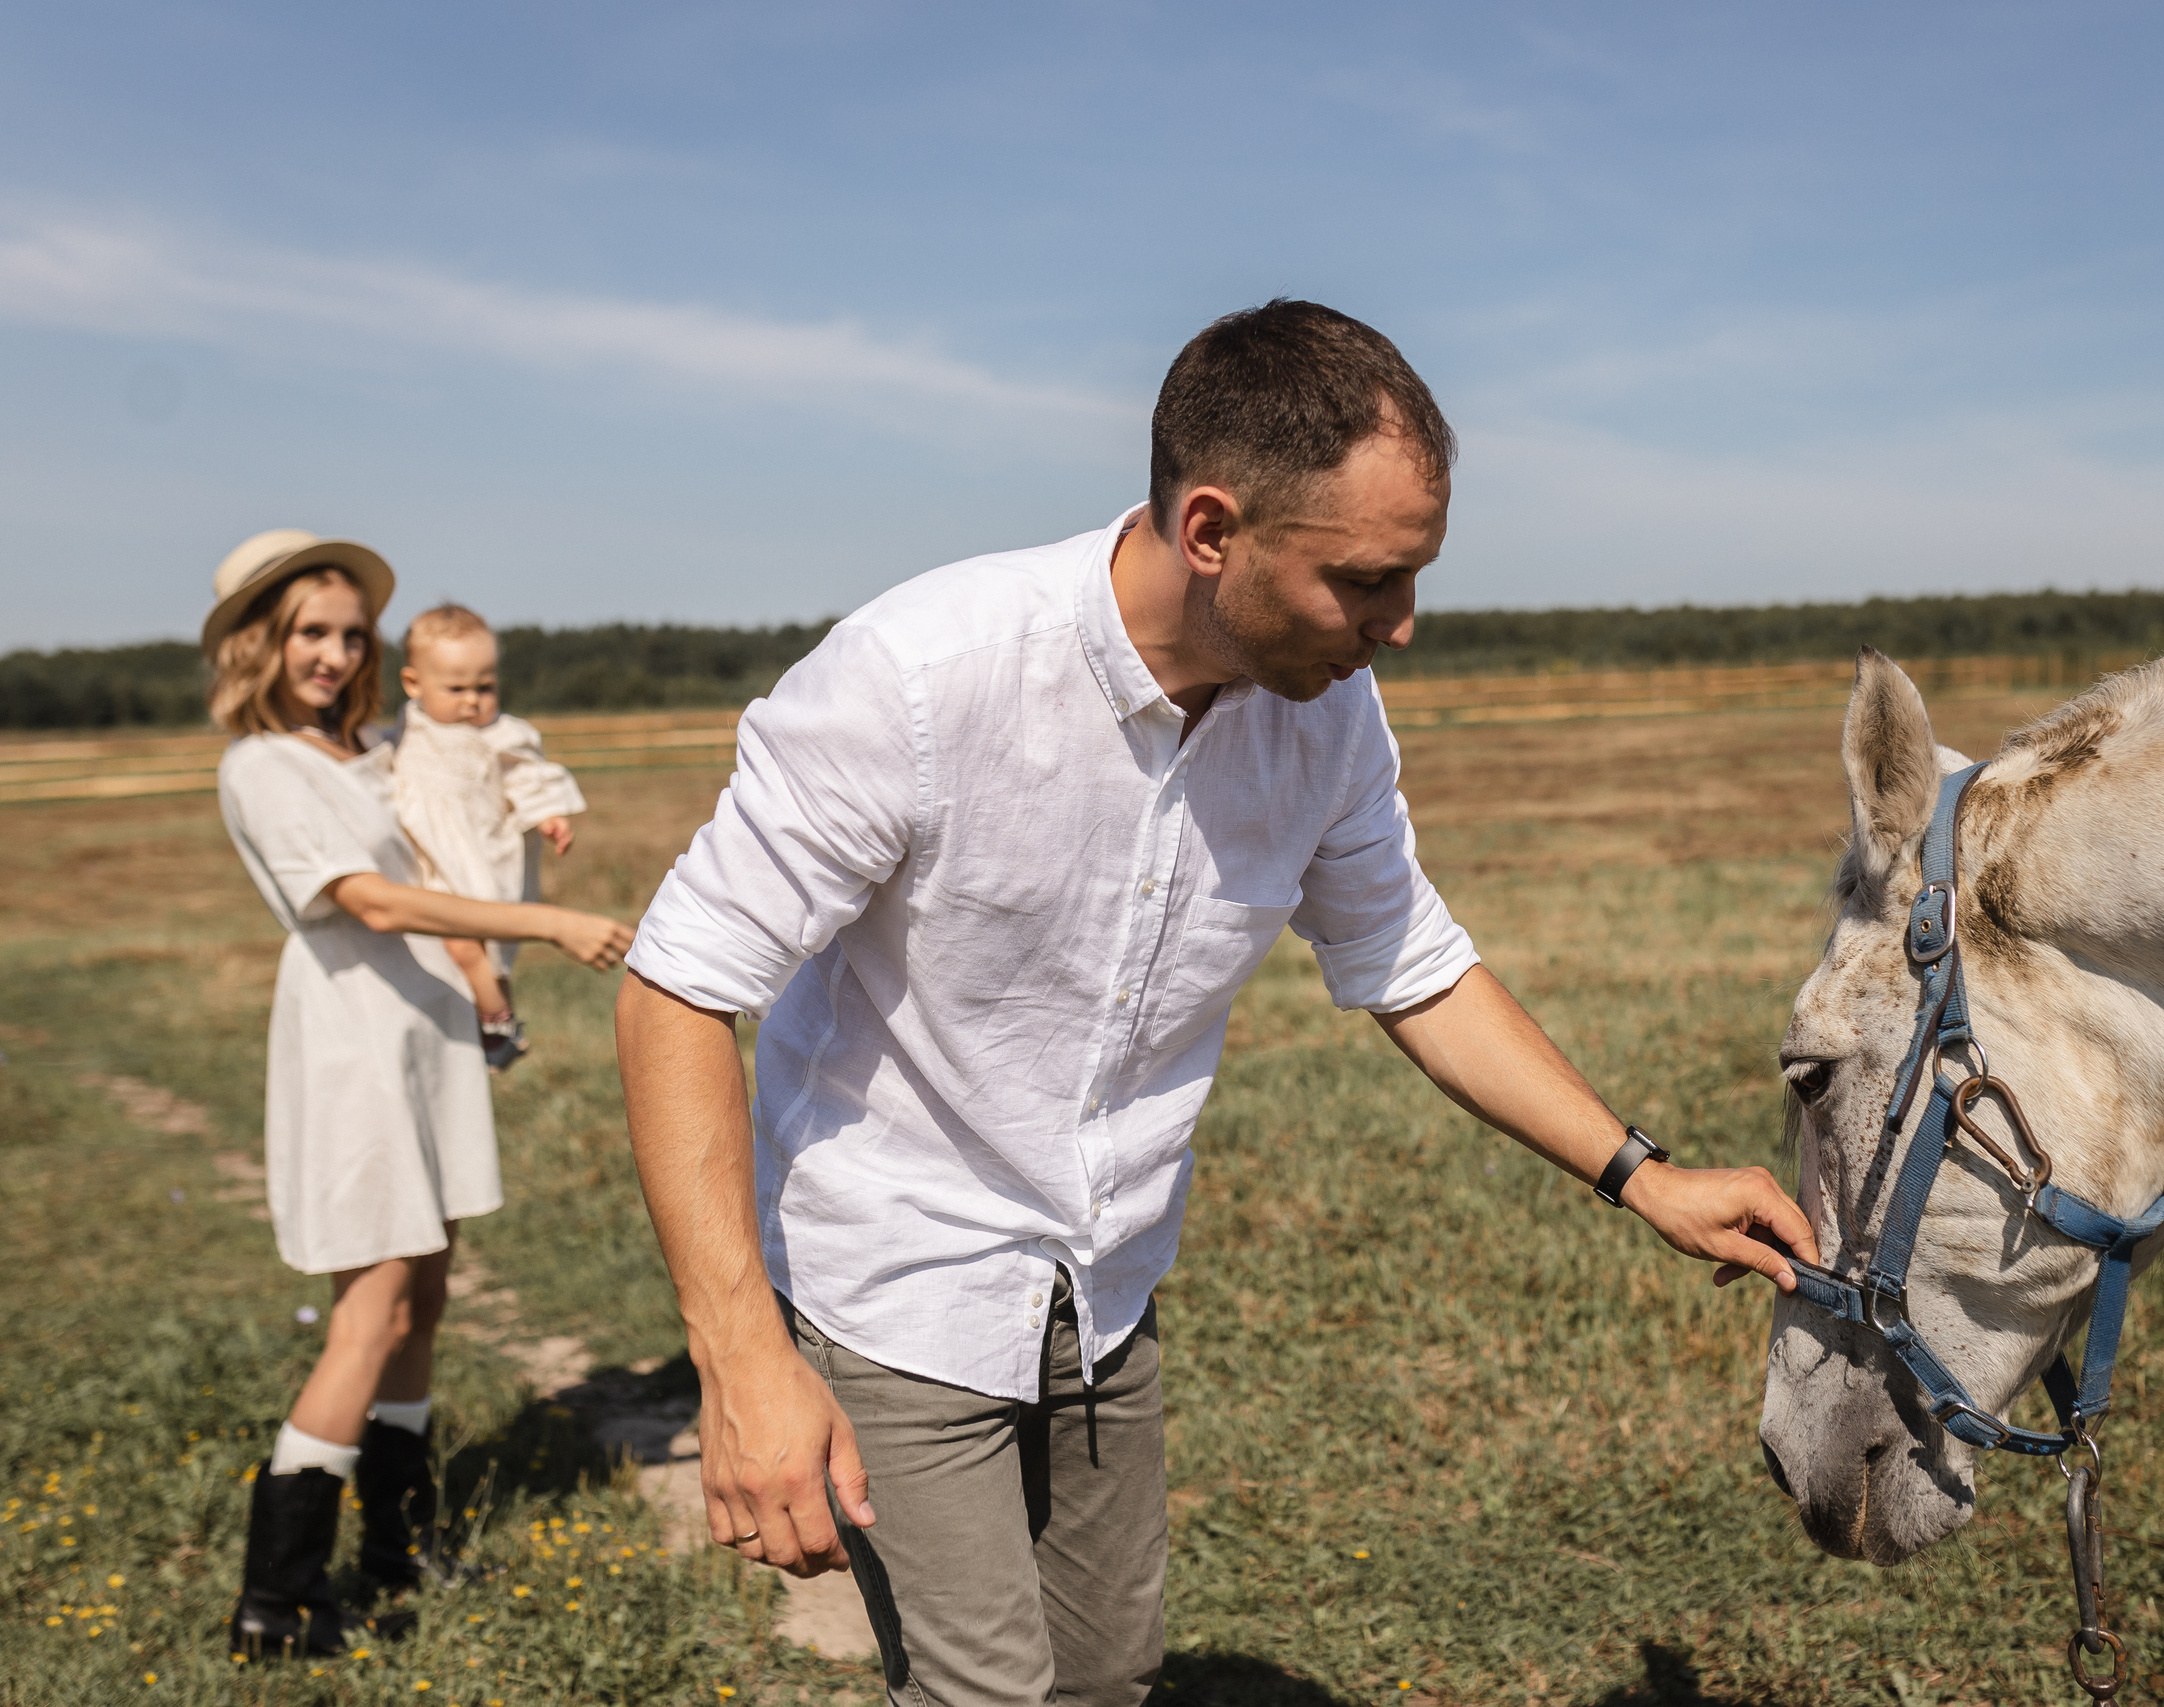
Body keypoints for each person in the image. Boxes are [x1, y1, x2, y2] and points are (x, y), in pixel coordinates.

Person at [615, 301, 1818, 1707]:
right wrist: (743, 1356)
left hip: (1102, 1282)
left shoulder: (1326, 713)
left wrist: (1643, 1173)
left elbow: (1412, 961)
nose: (1402, 626)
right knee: (988, 1691)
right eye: (1366, 581)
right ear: (1210, 529)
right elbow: (678, 985)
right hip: (896, 1277)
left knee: (1109, 1675)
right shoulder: (922, 678)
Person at [202, 530, 634, 1660]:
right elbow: (375, 903)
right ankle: (277, 1601)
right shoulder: (261, 767)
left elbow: (474, 766)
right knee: (374, 1310)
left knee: (427, 1297)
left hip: (427, 1037)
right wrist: (546, 921)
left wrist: (532, 800)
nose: (336, 654)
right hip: (353, 1051)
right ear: (261, 644)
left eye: (351, 634)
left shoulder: (374, 750)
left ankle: (401, 1550)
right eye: (311, 633)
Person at [392, 602, 589, 1070]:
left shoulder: (502, 734)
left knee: (474, 942)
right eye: (456, 688)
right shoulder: (406, 728)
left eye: (485, 687)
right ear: (413, 684)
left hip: (476, 851)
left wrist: (549, 816)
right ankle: (495, 1017)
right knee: (458, 944)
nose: (472, 701)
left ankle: (497, 1021)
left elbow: (528, 777)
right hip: (428, 853)